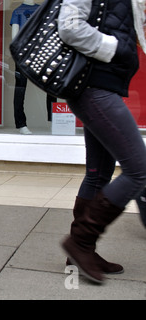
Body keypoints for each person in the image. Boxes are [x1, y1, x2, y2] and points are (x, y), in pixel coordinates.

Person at [58, 0, 146, 283]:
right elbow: (70, 27)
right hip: (93, 86)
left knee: (98, 175)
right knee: (139, 170)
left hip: (102, 85)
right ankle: (81, 242)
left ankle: (81, 252)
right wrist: (117, 49)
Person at [10, 0, 57, 135]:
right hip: (23, 55)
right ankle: (21, 124)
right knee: (20, 88)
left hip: (42, 54)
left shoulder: (42, 10)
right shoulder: (17, 11)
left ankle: (54, 121)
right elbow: (15, 38)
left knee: (51, 86)